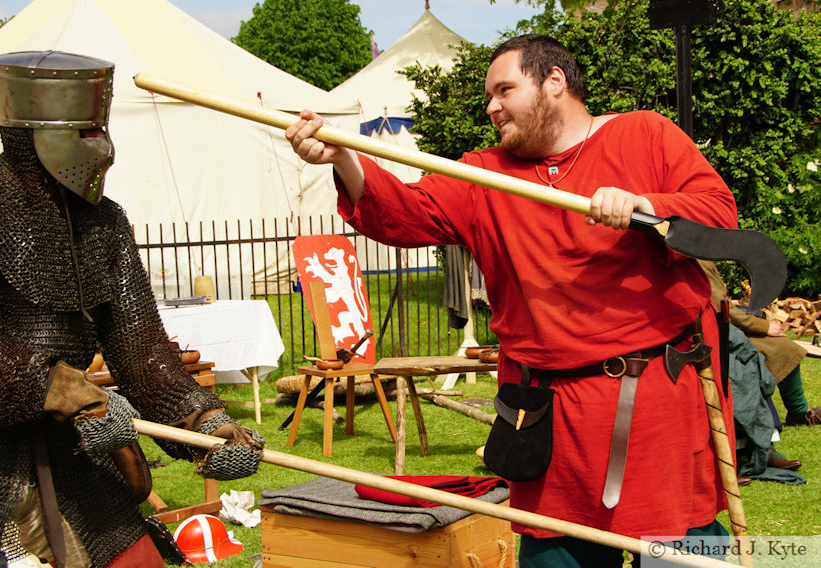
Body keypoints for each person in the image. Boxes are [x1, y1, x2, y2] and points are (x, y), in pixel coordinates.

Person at [286, 34, 738, 567]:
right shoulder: (484, 175)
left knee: (680, 551)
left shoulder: (644, 134)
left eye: (505, 90)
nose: (493, 107)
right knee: (554, 553)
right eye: (489, 97)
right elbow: (404, 210)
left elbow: (717, 214)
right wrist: (345, 159)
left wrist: (648, 206)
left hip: (657, 399)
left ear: (554, 81)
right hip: (548, 410)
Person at [0, 51, 264, 568]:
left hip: (70, 447)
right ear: (32, 130)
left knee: (135, 561)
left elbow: (140, 345)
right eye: (83, 131)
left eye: (99, 128)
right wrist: (64, 390)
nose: (100, 147)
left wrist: (205, 423)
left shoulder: (104, 221)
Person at [700, 261, 820, 428]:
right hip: (711, 335)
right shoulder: (696, 261)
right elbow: (721, 307)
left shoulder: (700, 259)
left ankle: (798, 411)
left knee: (783, 346)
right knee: (784, 348)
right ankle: (798, 412)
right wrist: (764, 326)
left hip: (717, 329)